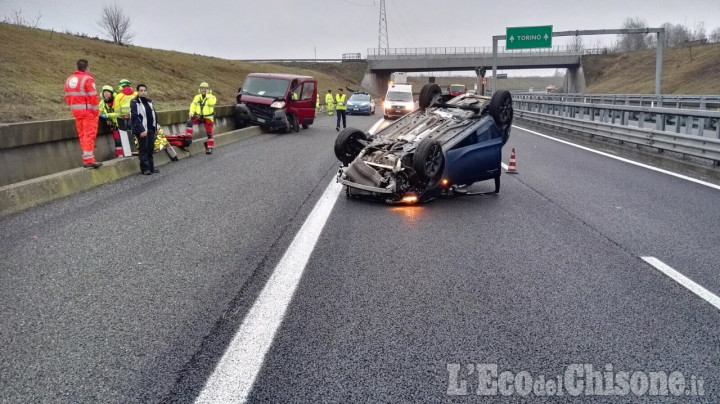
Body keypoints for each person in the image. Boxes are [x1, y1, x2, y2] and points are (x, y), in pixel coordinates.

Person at [64, 59, 101, 168]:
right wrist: (96, 112)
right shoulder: (87, 79)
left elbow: (67, 96)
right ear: (87, 67)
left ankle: (87, 158)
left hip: (77, 113)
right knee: (89, 135)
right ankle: (89, 160)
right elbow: (93, 96)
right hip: (88, 112)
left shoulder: (70, 79)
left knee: (82, 135)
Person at [130, 84, 159, 175]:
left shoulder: (149, 102)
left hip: (151, 128)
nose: (143, 92)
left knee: (150, 148)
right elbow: (135, 117)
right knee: (144, 149)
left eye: (144, 90)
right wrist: (141, 130)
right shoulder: (135, 102)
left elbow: (153, 116)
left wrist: (156, 127)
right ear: (138, 92)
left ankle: (151, 167)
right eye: (141, 90)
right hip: (142, 130)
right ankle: (145, 168)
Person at [186, 82, 217, 154]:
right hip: (199, 116)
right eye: (202, 88)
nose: (204, 90)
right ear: (199, 89)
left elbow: (211, 103)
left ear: (208, 89)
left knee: (209, 132)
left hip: (208, 117)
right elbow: (193, 105)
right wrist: (191, 112)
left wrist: (208, 95)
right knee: (189, 122)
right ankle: (188, 138)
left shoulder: (212, 97)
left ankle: (210, 147)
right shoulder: (197, 97)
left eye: (205, 88)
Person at [114, 79, 138, 156]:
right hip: (135, 117)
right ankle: (138, 149)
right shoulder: (136, 94)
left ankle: (130, 151)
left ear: (121, 87)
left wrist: (118, 120)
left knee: (127, 135)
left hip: (125, 118)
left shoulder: (119, 96)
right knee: (136, 133)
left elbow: (117, 110)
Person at [99, 85, 123, 158]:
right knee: (117, 140)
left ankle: (128, 152)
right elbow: (99, 112)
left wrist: (107, 115)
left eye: (108, 92)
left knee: (125, 139)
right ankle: (120, 154)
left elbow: (120, 113)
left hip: (122, 123)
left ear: (112, 94)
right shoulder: (102, 103)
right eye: (104, 92)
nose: (106, 94)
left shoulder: (117, 101)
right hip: (113, 125)